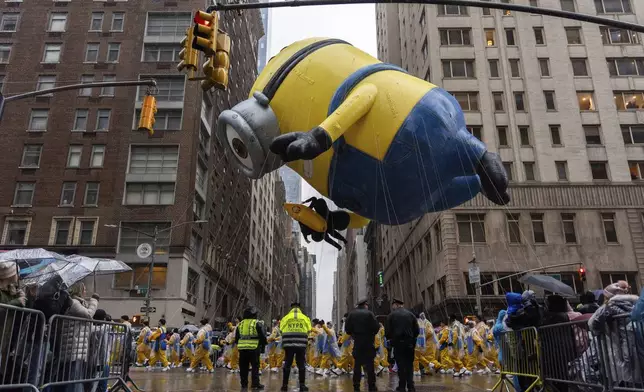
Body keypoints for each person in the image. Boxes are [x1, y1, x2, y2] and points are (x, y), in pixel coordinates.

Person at [346, 298, 380, 392]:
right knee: (370, 366)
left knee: (357, 365)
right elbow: (377, 328)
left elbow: (347, 329)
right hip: (369, 342)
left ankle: (356, 387)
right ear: (365, 305)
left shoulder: (352, 314)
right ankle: (372, 387)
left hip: (358, 342)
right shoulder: (370, 314)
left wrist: (354, 335)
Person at [385, 298, 418, 392]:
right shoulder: (411, 315)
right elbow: (417, 330)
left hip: (397, 344)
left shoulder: (391, 316)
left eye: (393, 305)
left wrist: (391, 340)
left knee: (400, 365)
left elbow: (387, 332)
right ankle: (411, 386)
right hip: (409, 344)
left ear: (395, 304)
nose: (392, 307)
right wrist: (412, 339)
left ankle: (402, 386)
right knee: (409, 365)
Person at [280, 301, 312, 392]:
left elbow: (281, 330)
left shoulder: (285, 318)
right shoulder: (305, 318)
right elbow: (309, 330)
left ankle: (284, 386)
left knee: (287, 364)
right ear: (299, 308)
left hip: (288, 343)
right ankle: (302, 385)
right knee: (301, 364)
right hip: (301, 343)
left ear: (291, 308)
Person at [236, 306, 266, 390]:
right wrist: (262, 346)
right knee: (255, 367)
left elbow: (237, 337)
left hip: (242, 349)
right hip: (254, 348)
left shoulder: (240, 324)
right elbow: (262, 336)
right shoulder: (257, 323)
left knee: (243, 367)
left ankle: (244, 384)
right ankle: (255, 384)